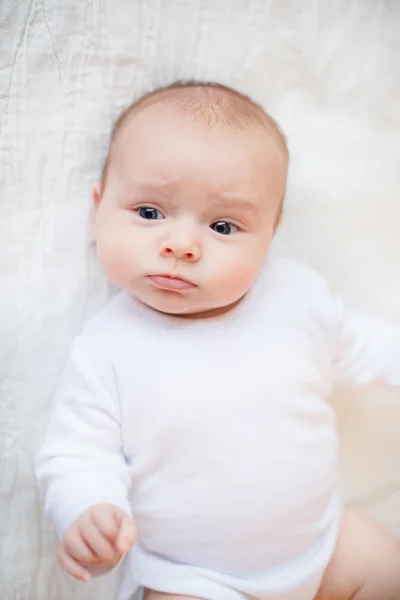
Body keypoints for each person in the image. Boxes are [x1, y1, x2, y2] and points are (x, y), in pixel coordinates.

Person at [36, 81, 400, 600]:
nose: (181, 245)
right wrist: (89, 510)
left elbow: (364, 345)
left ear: (270, 235)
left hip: (323, 543)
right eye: (149, 213)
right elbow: (76, 455)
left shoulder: (296, 296)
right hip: (194, 577)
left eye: (224, 226)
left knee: (387, 568)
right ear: (98, 208)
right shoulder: (107, 349)